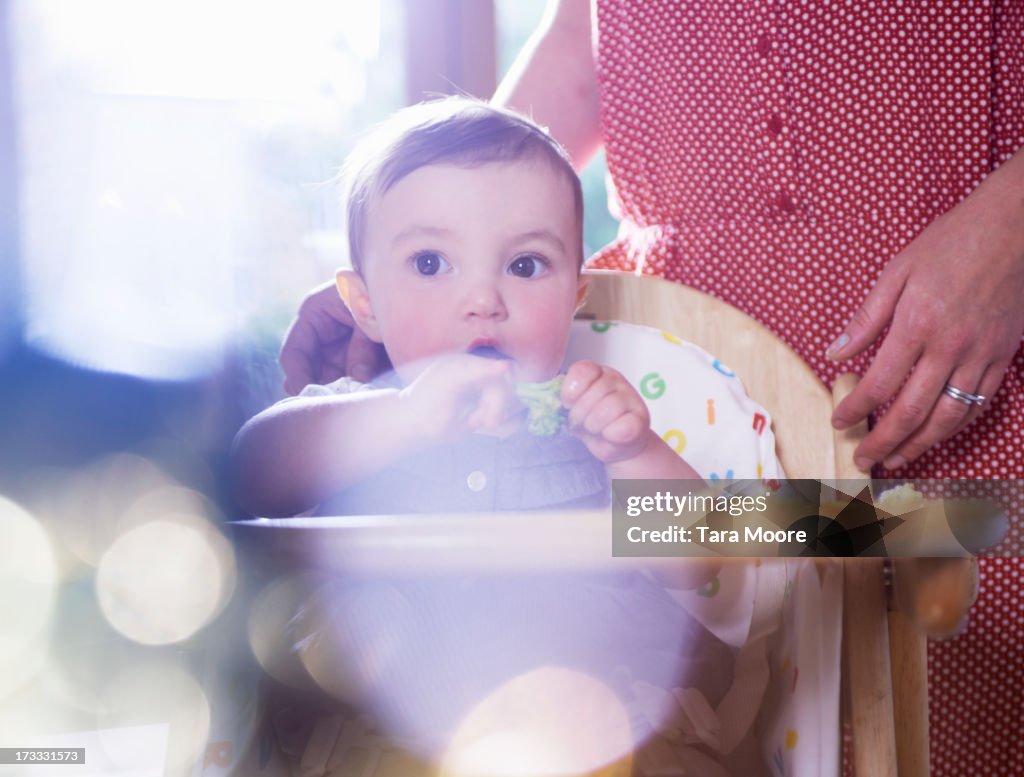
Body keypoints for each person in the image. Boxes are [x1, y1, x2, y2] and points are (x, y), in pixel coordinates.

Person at [276, 3, 1024, 774]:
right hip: (406, 739)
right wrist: (389, 420)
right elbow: (256, 466)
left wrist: (635, 454)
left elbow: (719, 566)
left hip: (612, 739)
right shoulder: (353, 421)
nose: (482, 297)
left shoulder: (604, 419)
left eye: (524, 264)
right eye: (431, 263)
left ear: (576, 288)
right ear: (363, 300)